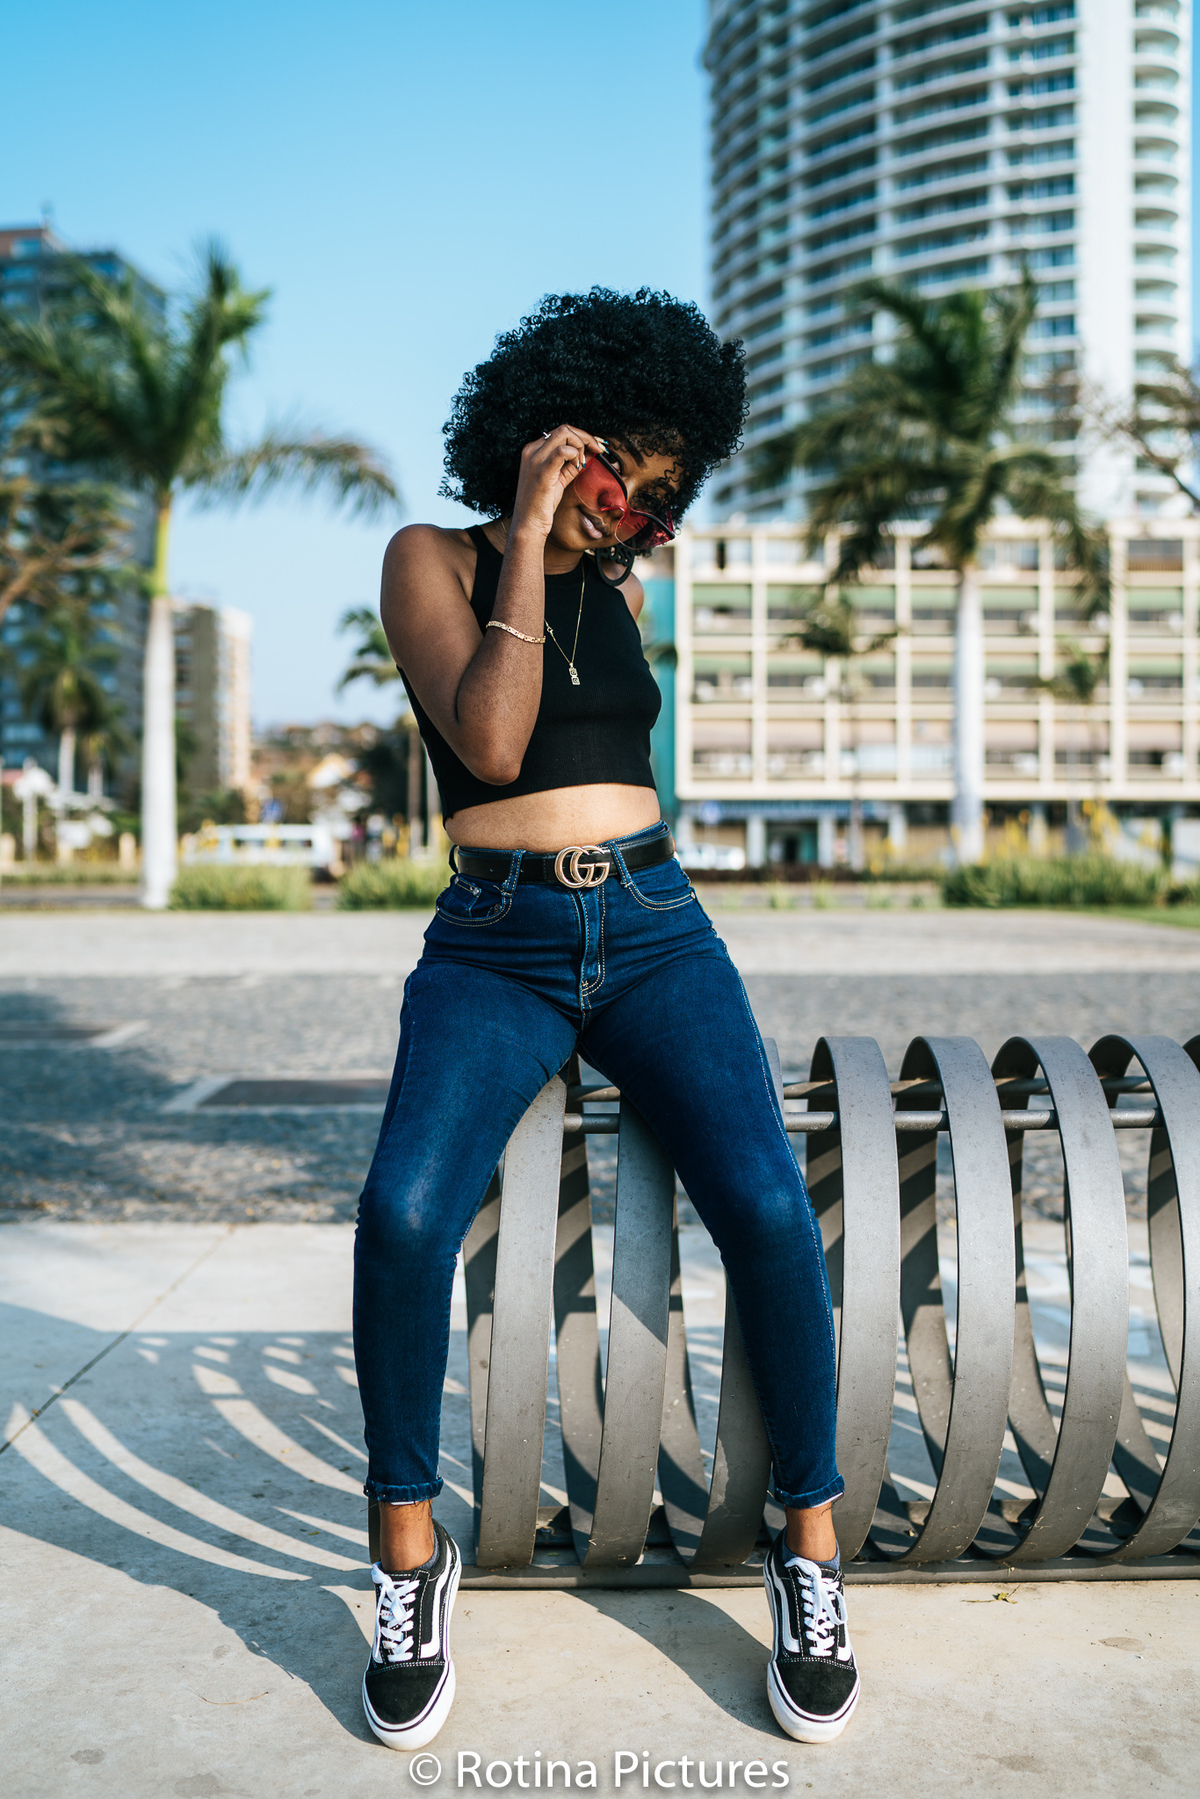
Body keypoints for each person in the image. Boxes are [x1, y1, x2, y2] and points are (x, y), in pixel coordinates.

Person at [353, 289, 858, 1751]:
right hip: (494, 944)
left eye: (656, 492)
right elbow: (492, 739)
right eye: (615, 471)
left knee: (765, 1204)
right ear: (549, 434)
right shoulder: (431, 559)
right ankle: (407, 1555)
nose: (630, 508)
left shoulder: (623, 594)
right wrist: (525, 533)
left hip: (650, 925)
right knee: (402, 1215)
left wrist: (594, 548)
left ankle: (810, 1548)